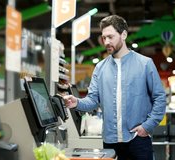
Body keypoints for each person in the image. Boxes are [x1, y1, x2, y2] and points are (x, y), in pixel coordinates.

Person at [64, 15, 166, 160]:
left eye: (110, 37)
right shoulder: (100, 68)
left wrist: (147, 126)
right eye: (104, 38)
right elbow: (93, 100)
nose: (106, 42)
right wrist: (77, 103)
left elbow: (160, 98)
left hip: (138, 139)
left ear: (123, 34)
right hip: (110, 141)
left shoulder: (145, 64)